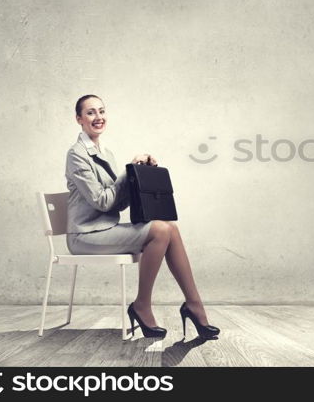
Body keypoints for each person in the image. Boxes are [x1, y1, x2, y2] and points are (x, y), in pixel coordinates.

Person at [65, 94, 219, 340]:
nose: (98, 117)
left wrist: (138, 173)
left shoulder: (105, 152)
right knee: (161, 230)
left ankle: (194, 304)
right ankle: (142, 305)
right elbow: (102, 201)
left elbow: (118, 202)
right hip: (85, 235)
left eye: (102, 111)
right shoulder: (77, 154)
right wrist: (128, 173)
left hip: (104, 228)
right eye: (91, 112)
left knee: (170, 229)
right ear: (79, 119)